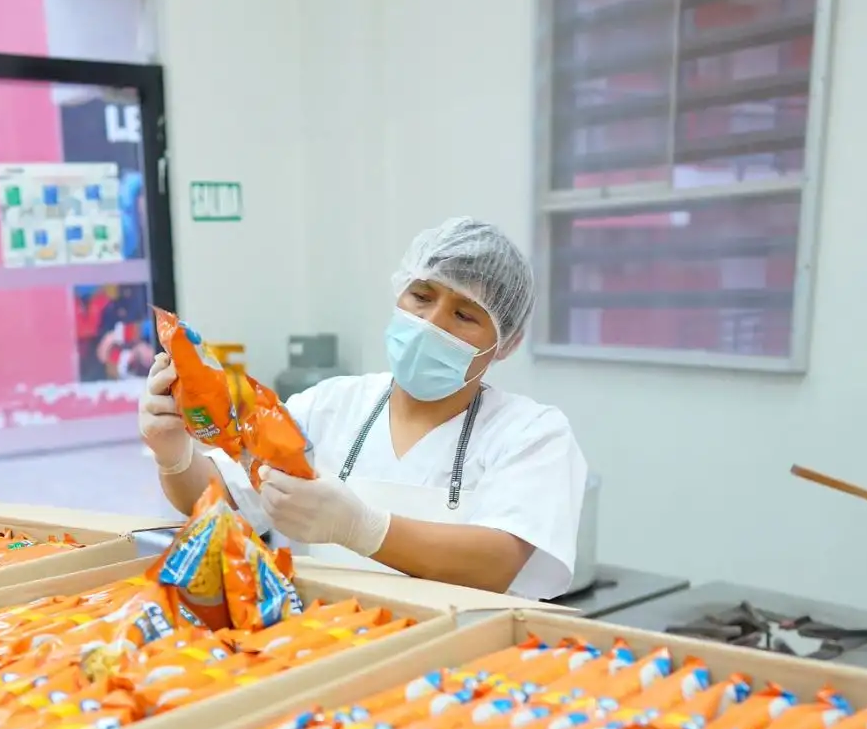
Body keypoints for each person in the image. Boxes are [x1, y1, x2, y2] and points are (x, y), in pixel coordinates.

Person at [137, 217, 588, 600]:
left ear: (504, 344)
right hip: (332, 647)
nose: (431, 324)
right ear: (399, 294)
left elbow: (497, 563)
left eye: (464, 315)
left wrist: (361, 528)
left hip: (463, 672)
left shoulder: (531, 433)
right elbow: (219, 499)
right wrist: (174, 455)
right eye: (423, 297)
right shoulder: (331, 404)